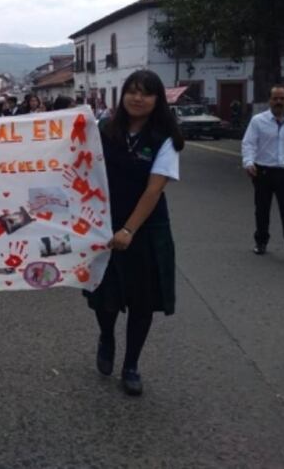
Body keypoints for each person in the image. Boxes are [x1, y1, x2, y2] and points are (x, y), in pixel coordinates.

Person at [84, 70, 184, 396]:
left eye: (146, 93)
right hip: (103, 222)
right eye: (132, 91)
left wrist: (129, 228)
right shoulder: (103, 130)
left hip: (145, 228)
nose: (137, 98)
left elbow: (154, 190)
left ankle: (131, 365)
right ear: (123, 95)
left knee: (142, 302)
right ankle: (107, 336)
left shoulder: (164, 139)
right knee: (104, 297)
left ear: (157, 101)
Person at [241, 85, 284, 264]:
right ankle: (261, 241)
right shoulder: (258, 121)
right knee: (262, 210)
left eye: (282, 98)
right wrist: (249, 163)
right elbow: (249, 143)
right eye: (275, 98)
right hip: (262, 171)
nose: (279, 102)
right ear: (269, 101)